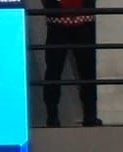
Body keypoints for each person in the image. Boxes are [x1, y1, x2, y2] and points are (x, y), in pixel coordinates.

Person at [42, 0, 99, 128]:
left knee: (86, 71)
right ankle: (53, 118)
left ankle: (89, 116)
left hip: (80, 22)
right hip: (60, 23)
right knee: (54, 71)